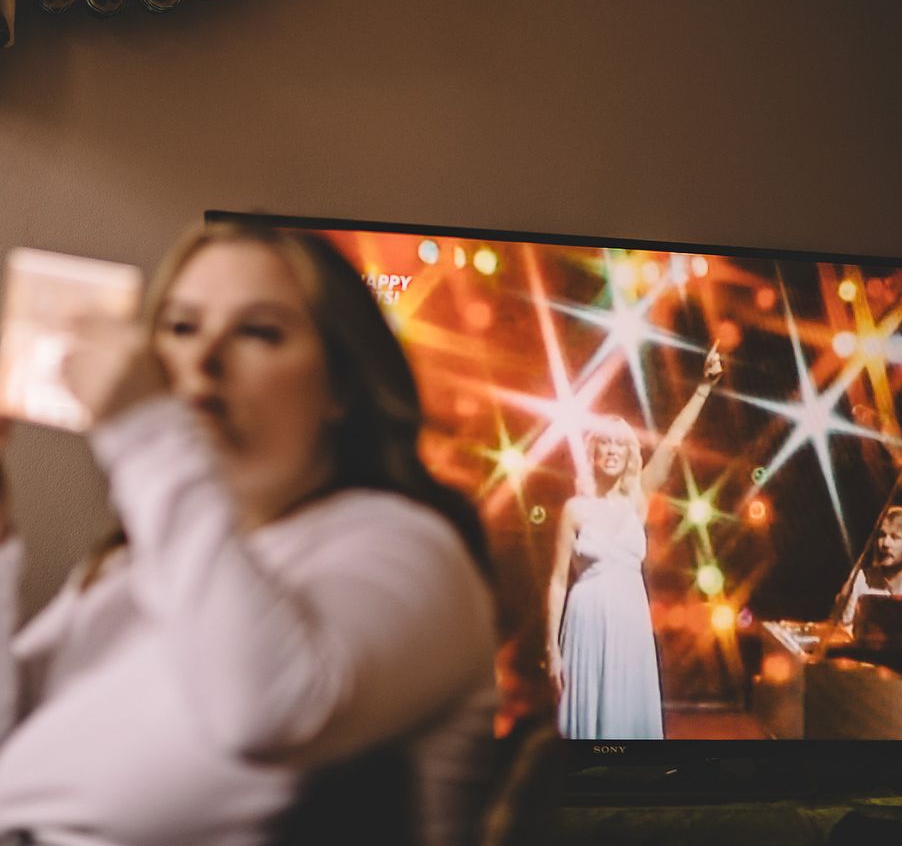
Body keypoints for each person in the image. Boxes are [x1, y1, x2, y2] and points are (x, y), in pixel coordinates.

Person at [0, 221, 498, 846]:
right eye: (180, 327)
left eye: (259, 332)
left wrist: (147, 433)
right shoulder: (139, 564)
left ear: (341, 384)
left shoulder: (411, 549)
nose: (202, 361)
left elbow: (269, 710)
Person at [546, 341, 724, 740]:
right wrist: (551, 650)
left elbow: (673, 441)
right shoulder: (575, 509)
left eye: (619, 444)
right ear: (593, 453)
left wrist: (703, 388)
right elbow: (557, 581)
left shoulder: (639, 499)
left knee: (625, 721)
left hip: (629, 619)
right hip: (585, 621)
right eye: (604, 443)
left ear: (629, 455)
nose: (611, 450)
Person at [839, 504, 902, 633]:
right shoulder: (861, 579)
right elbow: (844, 628)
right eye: (881, 535)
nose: (885, 544)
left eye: (895, 537)